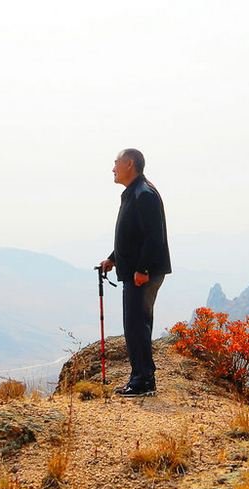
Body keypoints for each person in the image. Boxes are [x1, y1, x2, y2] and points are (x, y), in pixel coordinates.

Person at [99, 148, 171, 397]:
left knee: (136, 325)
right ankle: (141, 377)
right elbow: (132, 236)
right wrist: (113, 258)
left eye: (116, 163)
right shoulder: (134, 193)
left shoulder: (144, 194)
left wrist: (143, 269)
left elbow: (153, 237)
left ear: (129, 164)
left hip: (143, 274)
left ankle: (143, 381)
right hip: (135, 271)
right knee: (136, 324)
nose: (113, 168)